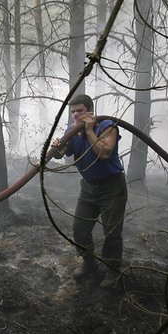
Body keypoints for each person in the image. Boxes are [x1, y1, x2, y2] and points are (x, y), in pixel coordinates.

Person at [52, 94, 127, 288]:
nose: (76, 115)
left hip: (112, 187)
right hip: (88, 187)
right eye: (73, 112)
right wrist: (57, 146)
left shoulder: (107, 126)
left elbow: (104, 153)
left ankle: (113, 270)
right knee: (80, 228)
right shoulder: (73, 131)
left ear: (90, 111)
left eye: (80, 111)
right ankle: (89, 262)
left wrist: (89, 130)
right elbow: (63, 154)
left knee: (111, 232)